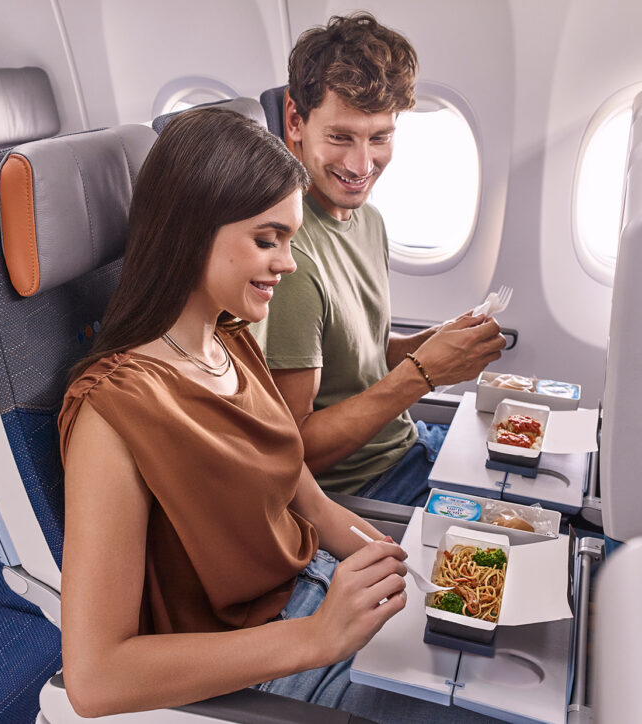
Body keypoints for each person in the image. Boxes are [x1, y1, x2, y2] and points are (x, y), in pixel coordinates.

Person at [58, 108, 493, 722]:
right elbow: (96, 678)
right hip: (257, 662)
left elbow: (314, 506)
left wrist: (420, 577)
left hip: (320, 591)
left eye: (289, 239)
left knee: (493, 659)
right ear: (189, 232)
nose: (287, 263)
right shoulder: (114, 410)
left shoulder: (231, 340)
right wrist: (317, 638)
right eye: (267, 240)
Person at [254, 13, 506, 506]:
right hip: (365, 489)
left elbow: (353, 359)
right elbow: (294, 449)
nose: (361, 166)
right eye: (341, 137)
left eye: (380, 137)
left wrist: (433, 343)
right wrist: (424, 374)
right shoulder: (290, 259)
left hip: (409, 448)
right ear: (295, 121)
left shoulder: (367, 220)